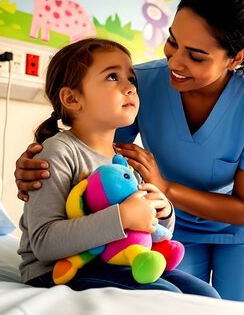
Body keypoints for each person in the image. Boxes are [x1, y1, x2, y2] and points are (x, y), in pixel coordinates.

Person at [15, 0, 244, 302]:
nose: (175, 62)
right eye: (172, 42)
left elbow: (243, 208)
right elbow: (96, 149)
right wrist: (37, 165)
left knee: (228, 306)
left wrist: (163, 195)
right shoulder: (144, 82)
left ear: (235, 58)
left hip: (240, 228)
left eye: (196, 56)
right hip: (172, 226)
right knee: (181, 300)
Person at [17, 37, 219, 298]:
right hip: (56, 271)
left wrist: (164, 210)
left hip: (116, 261)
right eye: (113, 77)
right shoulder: (58, 152)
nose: (130, 88)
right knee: (165, 296)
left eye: (131, 79)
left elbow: (150, 230)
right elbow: (44, 243)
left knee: (207, 296)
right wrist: (122, 217)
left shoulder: (124, 159)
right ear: (71, 98)